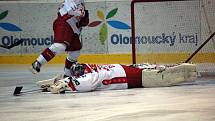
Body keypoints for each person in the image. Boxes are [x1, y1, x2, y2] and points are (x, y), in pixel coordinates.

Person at [36, 63, 198, 94]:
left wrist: (65, 83)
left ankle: (190, 71)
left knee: (163, 77)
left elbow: (87, 83)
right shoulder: (91, 67)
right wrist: (60, 81)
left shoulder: (92, 75)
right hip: (128, 69)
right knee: (157, 71)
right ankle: (186, 68)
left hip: (132, 77)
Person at [30, 0, 89, 78]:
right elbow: (69, 10)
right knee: (59, 46)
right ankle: (38, 62)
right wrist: (79, 13)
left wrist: (84, 17)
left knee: (75, 52)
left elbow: (83, 20)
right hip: (64, 23)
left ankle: (67, 76)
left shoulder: (82, 3)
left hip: (74, 28)